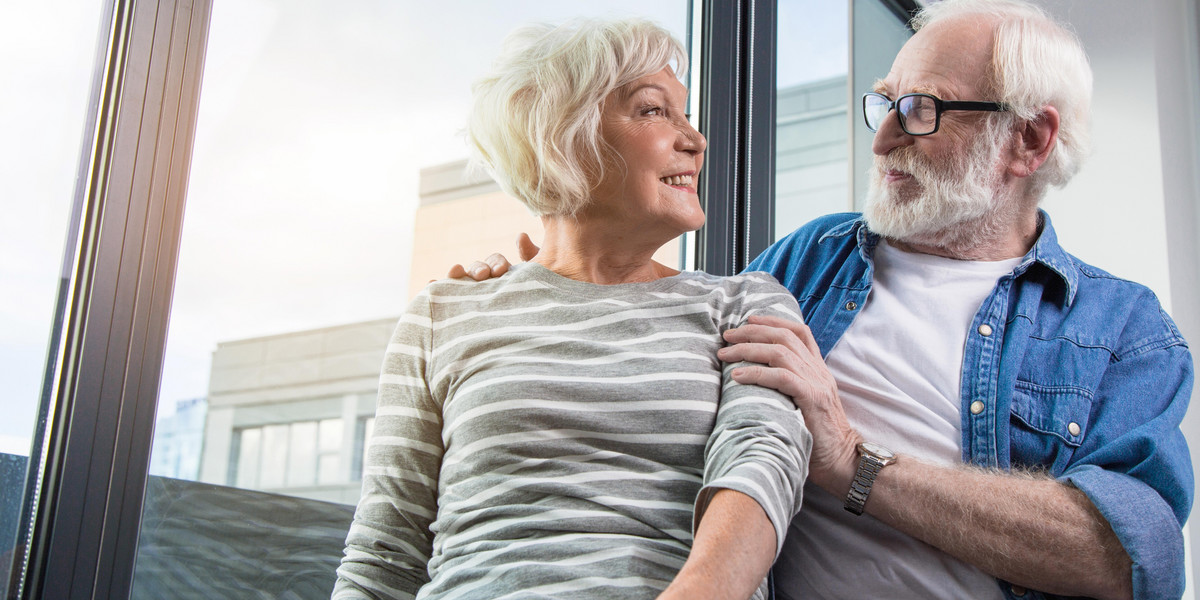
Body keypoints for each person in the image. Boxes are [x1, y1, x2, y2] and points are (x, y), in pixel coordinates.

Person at [462, 1, 1194, 599]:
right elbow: (660, 343)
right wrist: (538, 292)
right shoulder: (809, 260)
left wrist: (853, 462)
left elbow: (1129, 554)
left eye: (920, 111)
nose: (881, 141)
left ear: (1028, 140)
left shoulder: (1124, 328)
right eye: (884, 104)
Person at [332, 18, 812, 600]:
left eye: (685, 115)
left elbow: (764, 461)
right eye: (654, 111)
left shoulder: (745, 302)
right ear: (565, 135)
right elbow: (384, 554)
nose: (695, 139)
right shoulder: (442, 314)